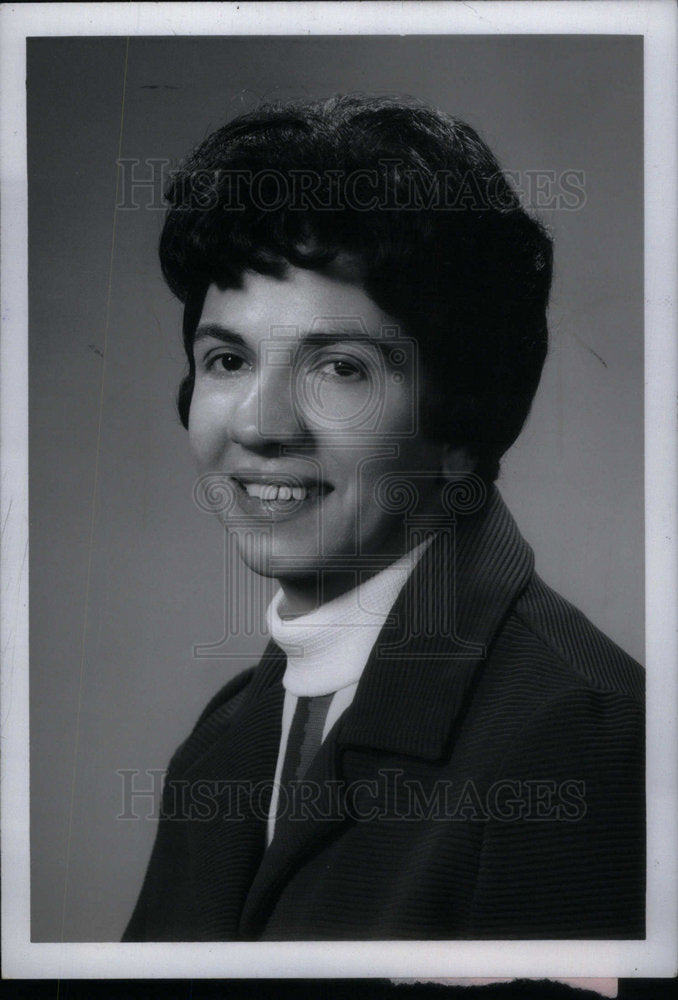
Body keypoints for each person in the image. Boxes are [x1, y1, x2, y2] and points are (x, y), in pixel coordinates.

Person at [123, 95, 644, 941]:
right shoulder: (224, 741)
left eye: (339, 368)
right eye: (227, 359)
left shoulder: (590, 744)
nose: (259, 423)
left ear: (462, 422)